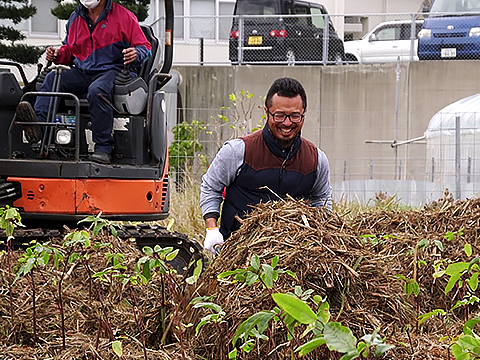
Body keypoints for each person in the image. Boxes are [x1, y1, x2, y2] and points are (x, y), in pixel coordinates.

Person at [200, 77, 332, 254]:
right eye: (279, 115)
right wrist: (212, 229)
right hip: (238, 252)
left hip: (295, 256)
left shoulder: (316, 160)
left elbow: (321, 200)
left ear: (303, 113)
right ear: (267, 112)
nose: (287, 123)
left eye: (295, 116)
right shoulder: (238, 151)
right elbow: (211, 187)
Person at [14, 0, 152, 164]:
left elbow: (145, 47)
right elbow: (70, 50)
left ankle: (103, 148)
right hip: (83, 71)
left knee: (97, 90)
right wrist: (59, 54)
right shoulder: (75, 18)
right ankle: (39, 127)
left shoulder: (124, 17)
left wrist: (136, 52)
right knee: (52, 79)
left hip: (113, 70)